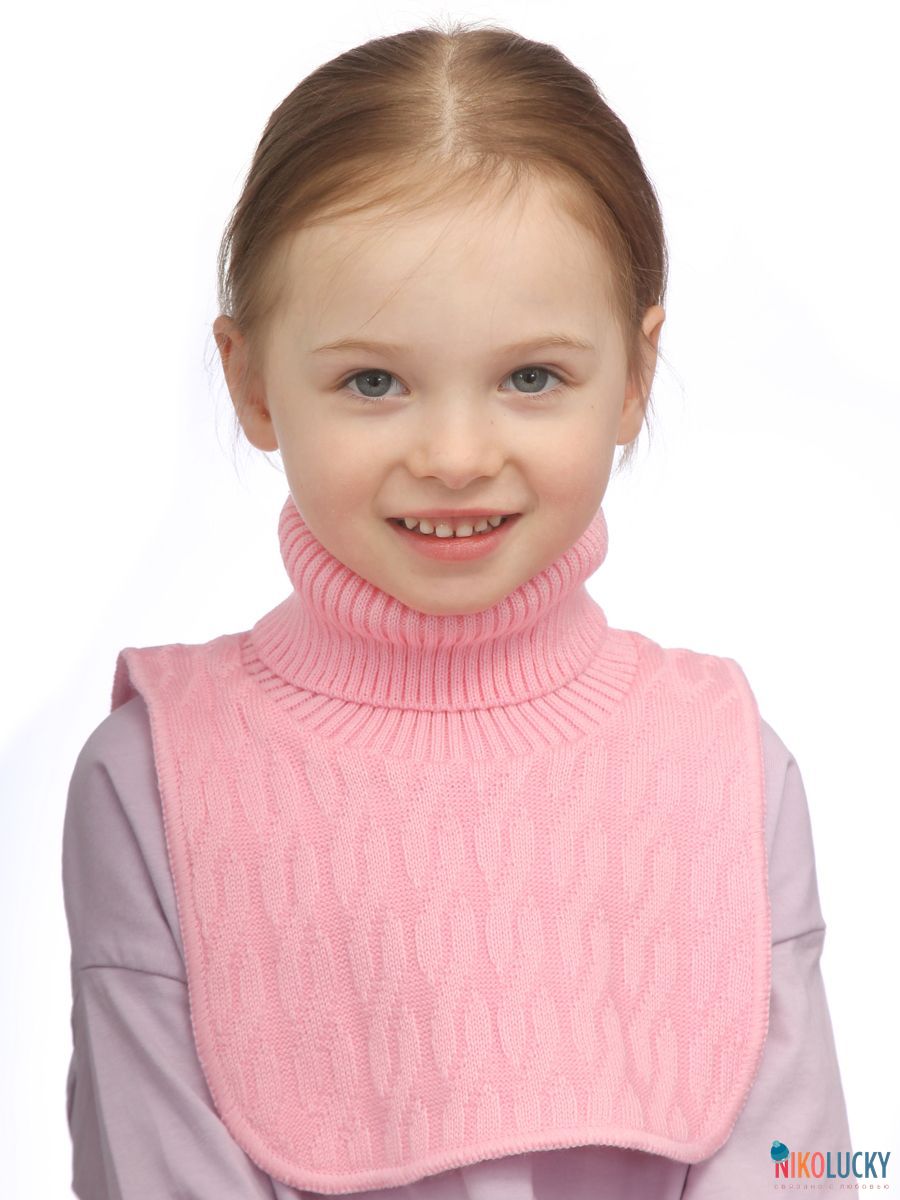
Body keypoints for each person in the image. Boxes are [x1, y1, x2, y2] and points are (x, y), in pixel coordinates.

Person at [61, 17, 856, 1199]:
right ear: (251, 382)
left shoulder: (726, 765)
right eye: (373, 380)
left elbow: (802, 1167)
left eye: (532, 376)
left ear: (634, 378)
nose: (454, 455)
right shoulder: (158, 780)